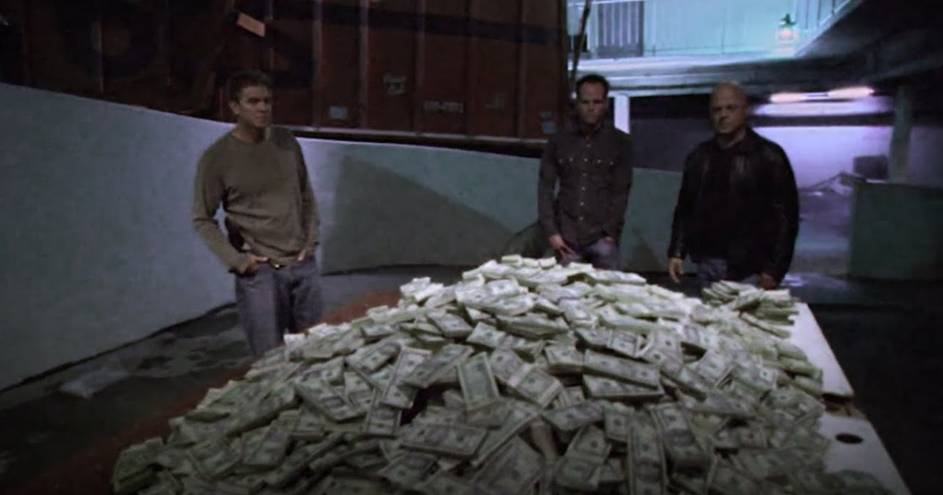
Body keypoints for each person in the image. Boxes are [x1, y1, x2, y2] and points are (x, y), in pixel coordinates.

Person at [192, 70, 322, 355]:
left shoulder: (286, 142)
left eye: (267, 101)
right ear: (235, 106)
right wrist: (238, 261)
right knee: (269, 359)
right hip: (261, 273)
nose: (263, 108)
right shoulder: (218, 158)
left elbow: (305, 195)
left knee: (316, 352)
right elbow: (202, 218)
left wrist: (310, 241)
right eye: (253, 101)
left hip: (302, 264)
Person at [667, 82, 799, 290]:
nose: (723, 115)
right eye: (717, 110)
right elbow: (685, 208)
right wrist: (677, 252)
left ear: (744, 110)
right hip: (707, 263)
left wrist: (774, 269)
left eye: (731, 108)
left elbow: (785, 217)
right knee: (708, 311)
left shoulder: (768, 156)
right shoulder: (699, 157)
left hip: (751, 266)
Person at [538, 74, 633, 269]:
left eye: (597, 102)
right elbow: (545, 188)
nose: (591, 107)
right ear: (577, 103)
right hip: (567, 239)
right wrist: (552, 232)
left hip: (602, 239)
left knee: (610, 288)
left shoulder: (620, 143)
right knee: (566, 288)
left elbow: (621, 191)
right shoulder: (558, 141)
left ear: (605, 104)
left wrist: (610, 234)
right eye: (585, 102)